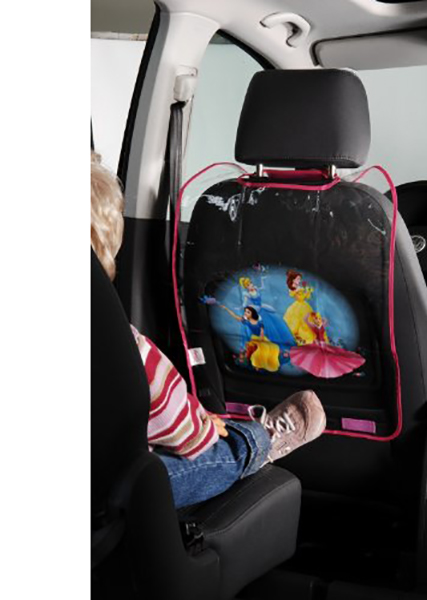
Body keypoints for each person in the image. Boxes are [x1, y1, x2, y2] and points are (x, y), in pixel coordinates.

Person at [91, 152, 326, 508]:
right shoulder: (117, 341)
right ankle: (257, 441)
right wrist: (202, 428)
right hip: (102, 495)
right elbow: (183, 432)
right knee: (185, 465)